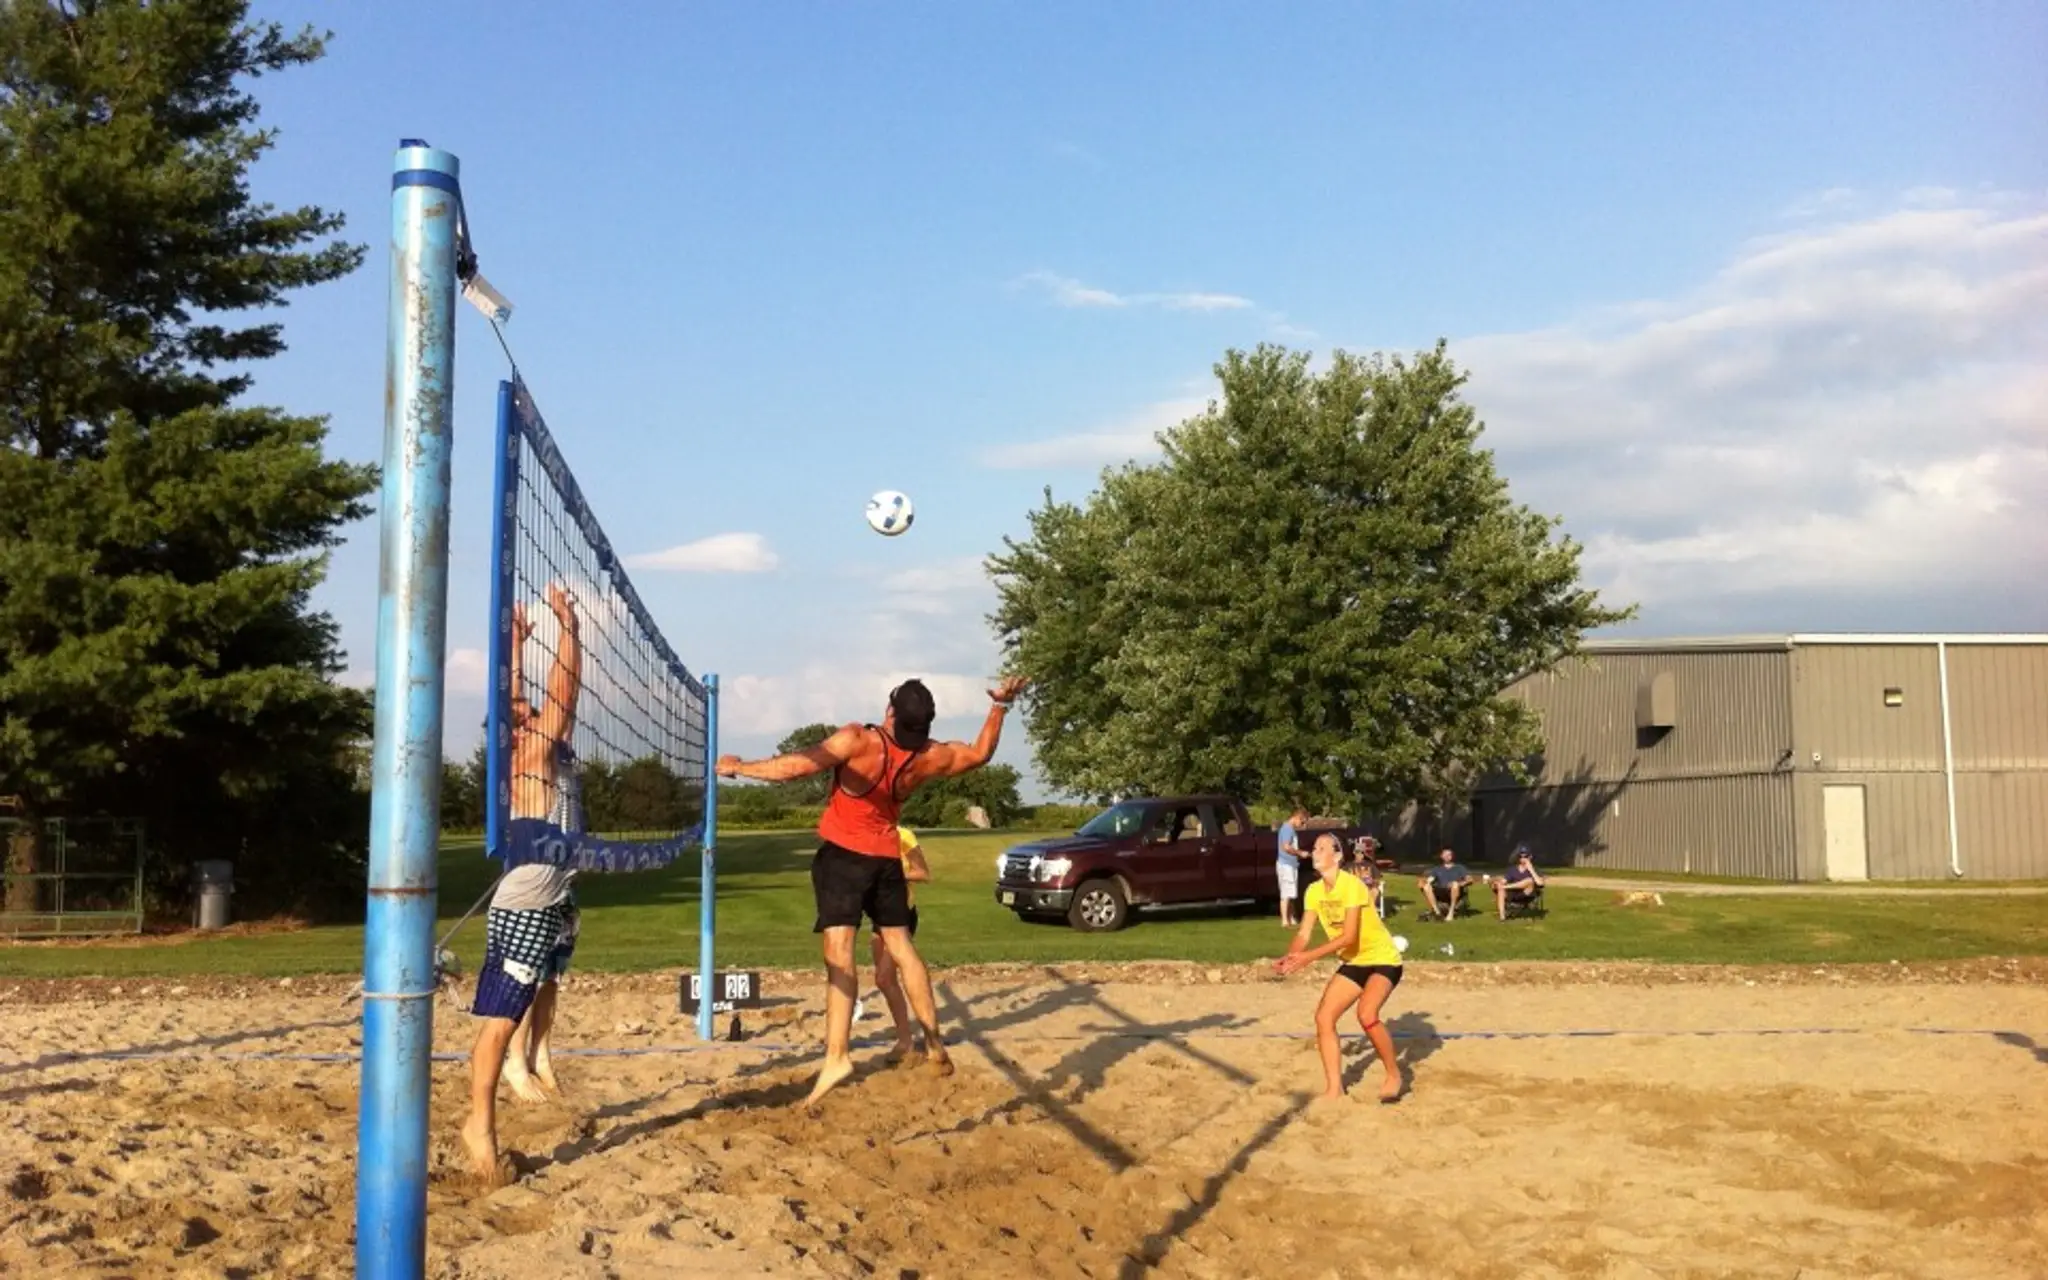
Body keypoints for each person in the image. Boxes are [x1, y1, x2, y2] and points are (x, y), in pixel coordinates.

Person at [717, 674, 1028, 1109]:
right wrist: (1000, 707)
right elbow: (978, 754)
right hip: (887, 858)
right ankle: (933, 1042)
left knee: (839, 952)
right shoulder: (930, 755)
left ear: (890, 711)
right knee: (901, 945)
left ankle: (837, 1056)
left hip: (844, 857)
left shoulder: (858, 740)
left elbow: (795, 767)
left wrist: (738, 767)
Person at [463, 583, 583, 1184]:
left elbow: (517, 698)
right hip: (525, 901)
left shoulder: (537, 744)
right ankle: (479, 1121)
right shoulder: (531, 752)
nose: (532, 709)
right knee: (501, 1017)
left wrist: (514, 643)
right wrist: (570, 628)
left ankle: (534, 1058)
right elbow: (564, 690)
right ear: (516, 733)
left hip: (556, 894)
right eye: (523, 712)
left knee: (549, 983)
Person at [1275, 833, 1405, 1103]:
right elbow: (1304, 933)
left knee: (1367, 1014)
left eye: (1322, 848)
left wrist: (1308, 958)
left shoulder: (1352, 886)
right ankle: (1334, 1089)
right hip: (1355, 961)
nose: (1315, 851)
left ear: (1337, 856)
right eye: (1314, 848)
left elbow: (1348, 937)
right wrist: (1291, 957)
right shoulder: (1313, 891)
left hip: (1382, 958)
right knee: (1324, 1018)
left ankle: (1393, 1074)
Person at [873, 824, 932, 1062]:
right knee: (885, 980)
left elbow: (923, 873)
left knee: (886, 976)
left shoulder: (903, 836)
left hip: (901, 913)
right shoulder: (864, 835)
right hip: (879, 915)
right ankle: (905, 1038)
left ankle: (919, 1040)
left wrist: (890, 874)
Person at [1418, 846, 1473, 921]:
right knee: (1426, 886)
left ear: (1452, 856)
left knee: (1454, 884)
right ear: (1441, 856)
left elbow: (1470, 880)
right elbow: (1430, 880)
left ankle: (1451, 913)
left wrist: (1459, 884)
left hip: (1456, 891)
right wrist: (1424, 882)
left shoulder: (1459, 868)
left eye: (1449, 855)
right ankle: (1437, 913)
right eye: (1445, 855)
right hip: (1442, 892)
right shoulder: (1437, 869)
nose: (1447, 856)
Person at [1275, 806, 1309, 927]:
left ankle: (1291, 917)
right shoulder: (1287, 829)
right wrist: (1300, 853)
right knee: (1286, 892)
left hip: (1290, 864)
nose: (1302, 824)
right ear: (1297, 817)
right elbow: (1286, 847)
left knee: (1291, 891)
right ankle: (1285, 919)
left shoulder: (1290, 830)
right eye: (1302, 821)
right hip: (1286, 864)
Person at [1491, 846, 1545, 920]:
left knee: (1529, 880)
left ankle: (1505, 888)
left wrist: (1531, 869)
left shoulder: (1535, 869)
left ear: (1530, 857)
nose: (1523, 859)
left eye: (1525, 856)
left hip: (1527, 894)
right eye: (1520, 856)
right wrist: (1497, 883)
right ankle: (1502, 917)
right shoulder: (1513, 869)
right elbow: (1503, 881)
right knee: (1501, 888)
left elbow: (1540, 884)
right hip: (1512, 894)